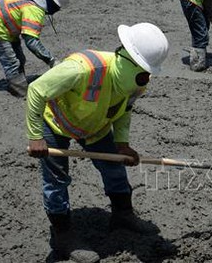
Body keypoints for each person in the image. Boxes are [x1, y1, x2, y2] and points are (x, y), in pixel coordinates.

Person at [26, 23, 169, 263]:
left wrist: (122, 144)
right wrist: (35, 137)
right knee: (57, 179)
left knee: (115, 169)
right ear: (127, 58)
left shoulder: (137, 83)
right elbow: (36, 90)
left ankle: (123, 214)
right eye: (143, 70)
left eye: (148, 71)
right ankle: (63, 235)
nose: (146, 78)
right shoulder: (82, 69)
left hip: (94, 126)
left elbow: (124, 110)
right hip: (56, 122)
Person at [0, 0, 72, 97]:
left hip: (5, 25)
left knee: (20, 58)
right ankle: (20, 92)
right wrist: (51, 60)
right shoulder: (34, 9)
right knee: (11, 62)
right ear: (54, 3)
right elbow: (31, 42)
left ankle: (19, 82)